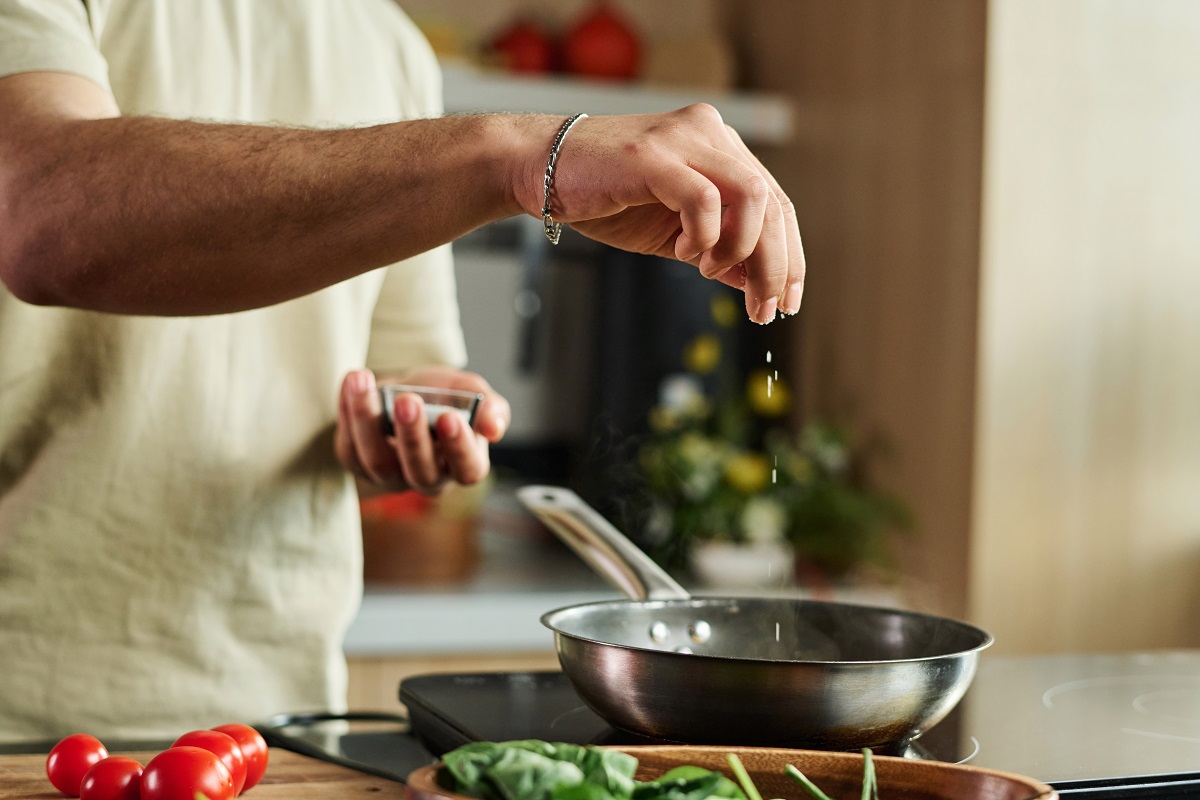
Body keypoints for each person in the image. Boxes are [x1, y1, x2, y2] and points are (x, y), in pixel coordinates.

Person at [0, 0, 805, 741]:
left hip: (275, 714)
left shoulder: (384, 42)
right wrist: (515, 154)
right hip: (24, 714)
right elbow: (43, 211)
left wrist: (405, 427)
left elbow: (396, 368)